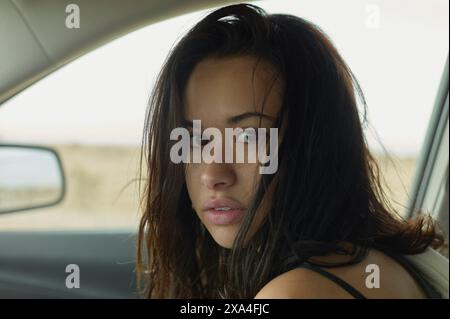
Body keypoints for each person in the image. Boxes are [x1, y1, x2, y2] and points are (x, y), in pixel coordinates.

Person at [136, 3, 446, 298]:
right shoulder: (404, 258)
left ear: (314, 146)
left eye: (248, 137)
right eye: (196, 140)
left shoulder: (295, 292)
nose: (213, 174)